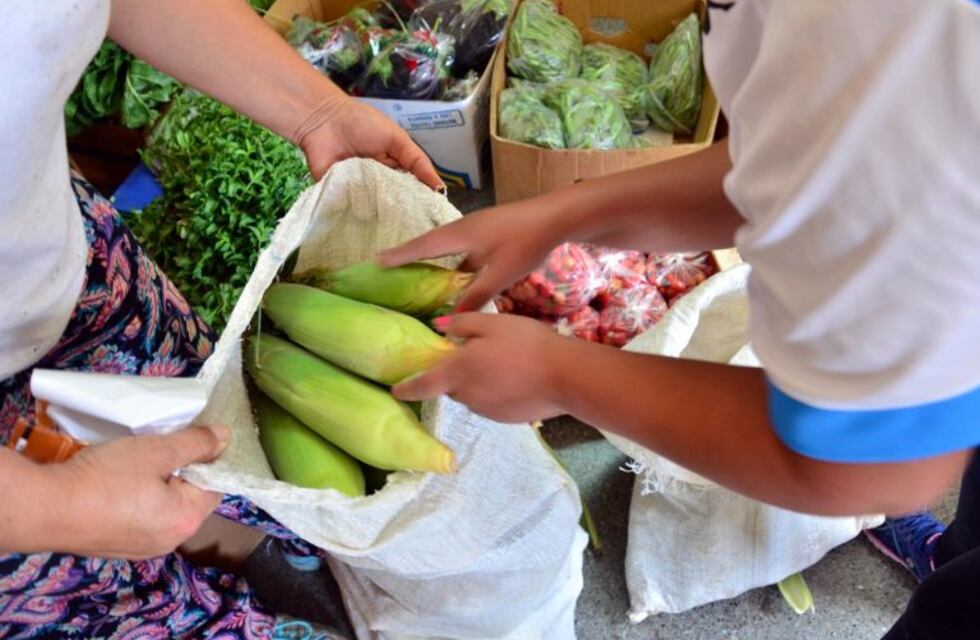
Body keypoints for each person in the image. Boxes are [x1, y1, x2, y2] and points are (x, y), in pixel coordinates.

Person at [380, 0, 980, 637]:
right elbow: (810, 159)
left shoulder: (916, 53)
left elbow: (866, 459)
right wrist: (564, 214)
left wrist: (559, 374)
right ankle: (953, 552)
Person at [0, 1, 440, 638]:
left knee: (222, 439)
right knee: (119, 594)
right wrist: (57, 507)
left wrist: (318, 112)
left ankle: (264, 546)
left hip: (69, 268)